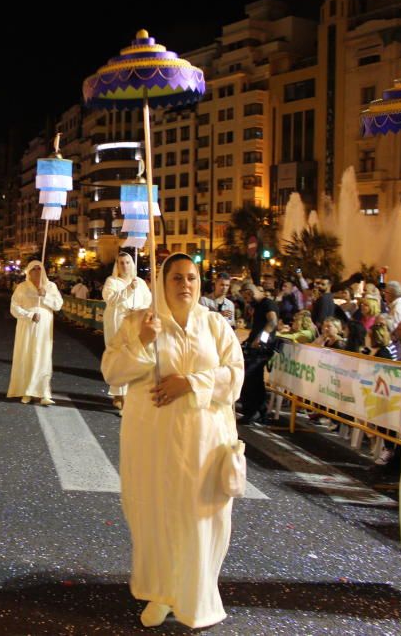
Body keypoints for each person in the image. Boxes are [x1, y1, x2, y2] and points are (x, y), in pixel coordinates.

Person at [101, 253, 243, 629]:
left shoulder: (215, 325)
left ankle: (197, 594)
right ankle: (161, 593)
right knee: (157, 515)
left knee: (201, 519)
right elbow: (112, 370)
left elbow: (235, 376)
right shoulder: (139, 322)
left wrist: (191, 383)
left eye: (192, 278)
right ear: (162, 284)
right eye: (177, 278)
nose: (185, 285)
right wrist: (142, 343)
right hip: (153, 443)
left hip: (204, 445)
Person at [7, 261, 63, 406]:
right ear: (29, 271)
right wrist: (29, 315)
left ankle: (43, 392)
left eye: (40, 268)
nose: (37, 271)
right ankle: (27, 391)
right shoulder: (22, 287)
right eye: (34, 269)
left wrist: (45, 296)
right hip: (27, 327)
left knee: (42, 357)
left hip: (44, 328)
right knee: (27, 355)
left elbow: (58, 305)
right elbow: (14, 308)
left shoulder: (50, 286)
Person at [102, 252, 152, 411]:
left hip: (135, 323)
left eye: (127, 262)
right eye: (121, 262)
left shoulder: (141, 283)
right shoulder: (112, 281)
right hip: (117, 322)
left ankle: (131, 394)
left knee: (133, 356)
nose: (124, 265)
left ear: (132, 264)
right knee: (120, 356)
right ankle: (118, 395)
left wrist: (139, 311)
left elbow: (147, 301)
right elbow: (110, 299)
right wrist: (129, 289)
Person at [237, 282, 278, 425]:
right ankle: (261, 411)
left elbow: (272, 323)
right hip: (256, 347)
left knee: (249, 378)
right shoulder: (259, 306)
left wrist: (261, 339)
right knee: (255, 380)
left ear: (250, 292)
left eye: (246, 297)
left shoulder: (268, 304)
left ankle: (251, 412)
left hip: (262, 349)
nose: (247, 301)